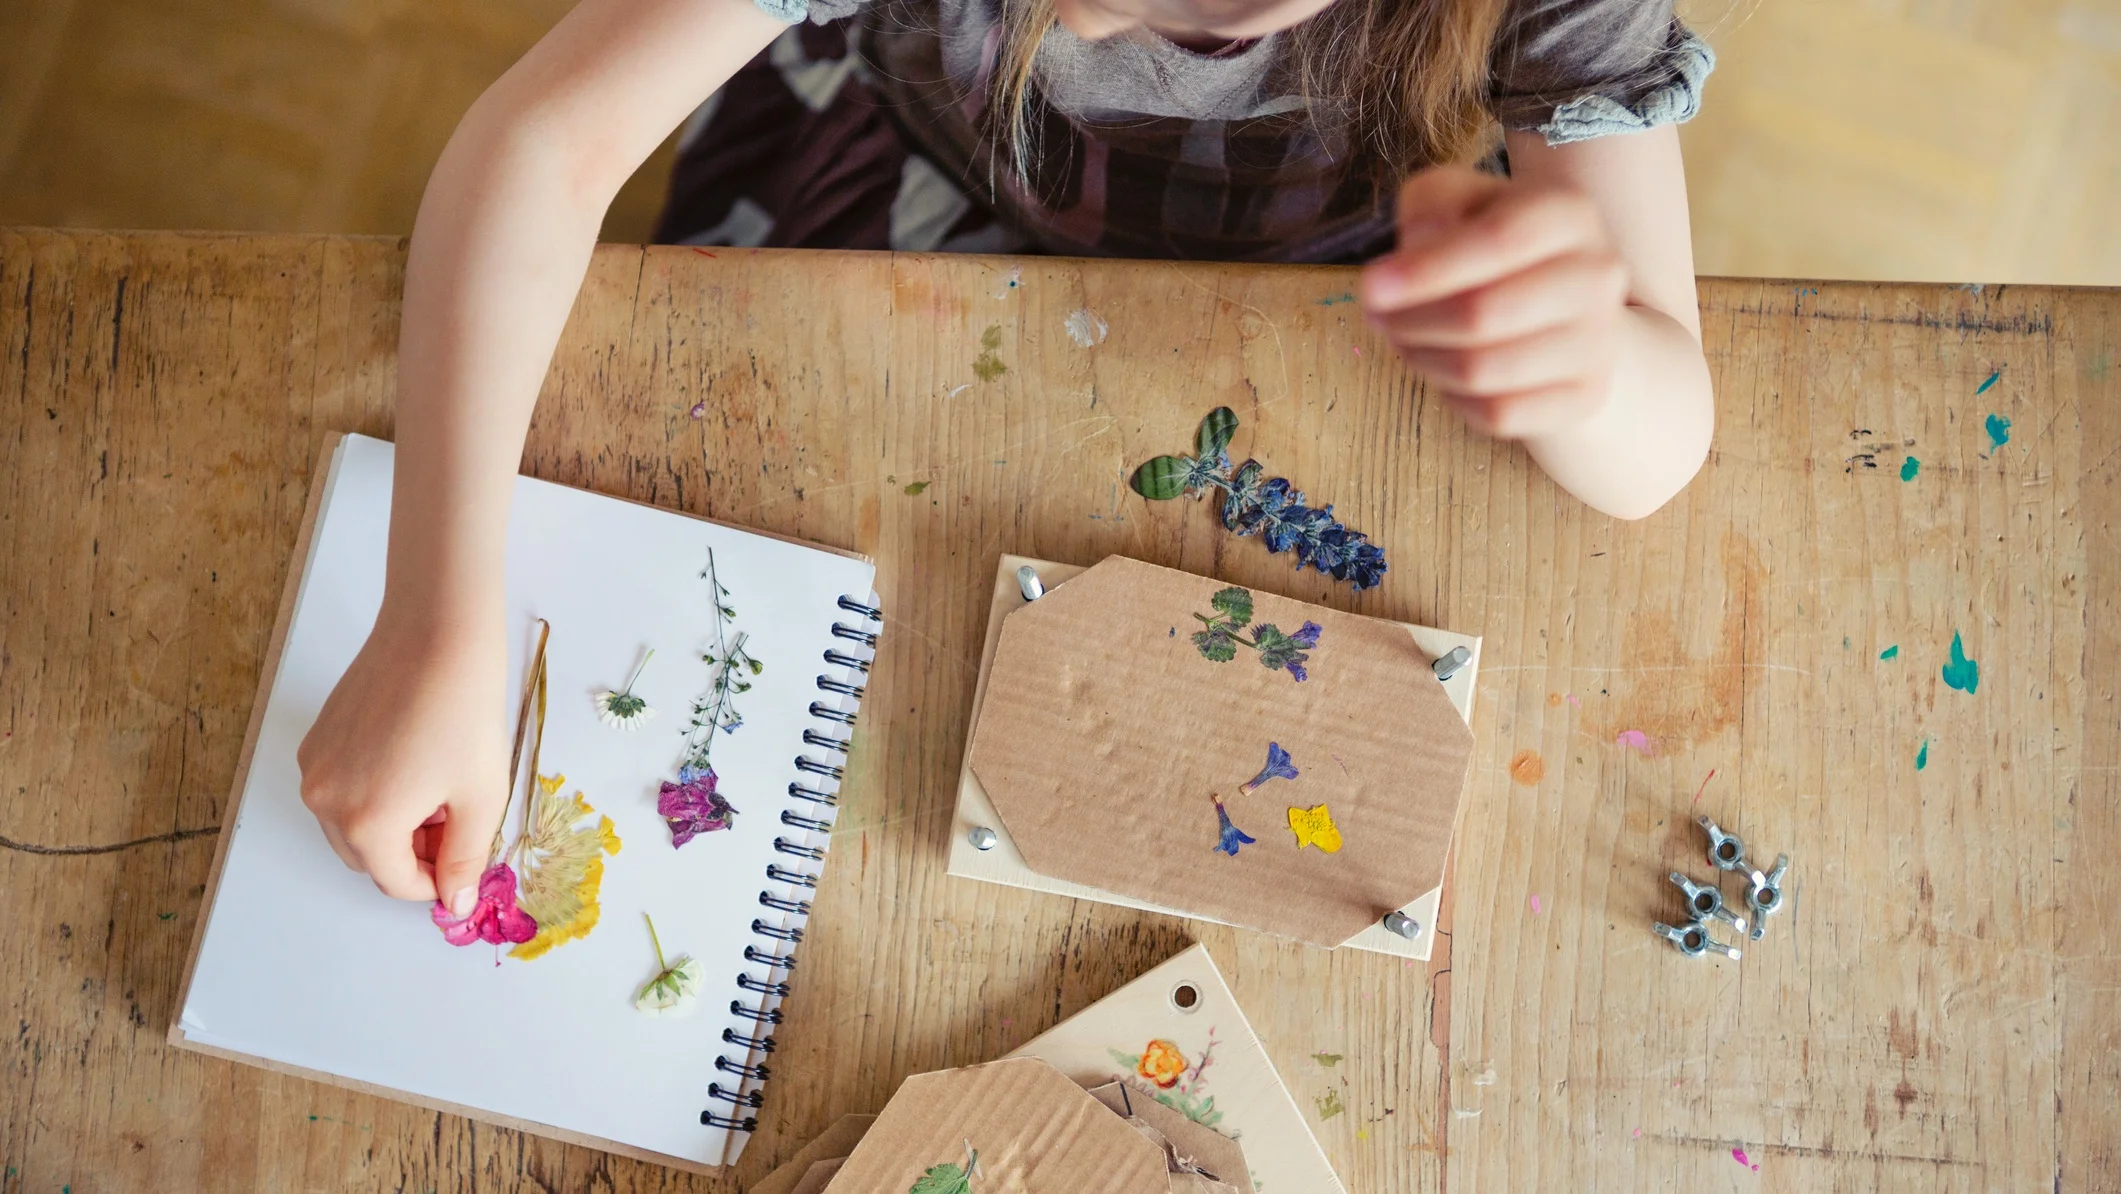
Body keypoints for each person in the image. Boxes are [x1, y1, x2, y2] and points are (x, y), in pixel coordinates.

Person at [298, 0, 1718, 914]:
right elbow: (542, 143)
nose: (1093, 19)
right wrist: (435, 615)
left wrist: (1588, 360)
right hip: (900, 205)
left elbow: (1660, 446)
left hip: (1312, 316)